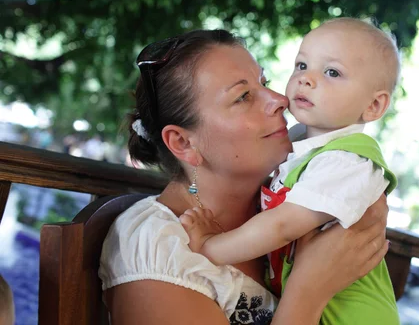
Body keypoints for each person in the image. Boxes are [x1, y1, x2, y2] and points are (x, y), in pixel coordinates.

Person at [98, 29, 391, 325]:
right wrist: (309, 290)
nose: (279, 99)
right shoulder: (158, 250)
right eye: (243, 96)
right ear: (184, 143)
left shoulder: (294, 208)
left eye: (265, 83)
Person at [181, 18, 401, 324]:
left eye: (332, 72)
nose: (306, 79)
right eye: (301, 65)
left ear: (374, 106)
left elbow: (282, 225)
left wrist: (209, 249)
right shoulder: (299, 143)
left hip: (354, 315)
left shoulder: (349, 161)